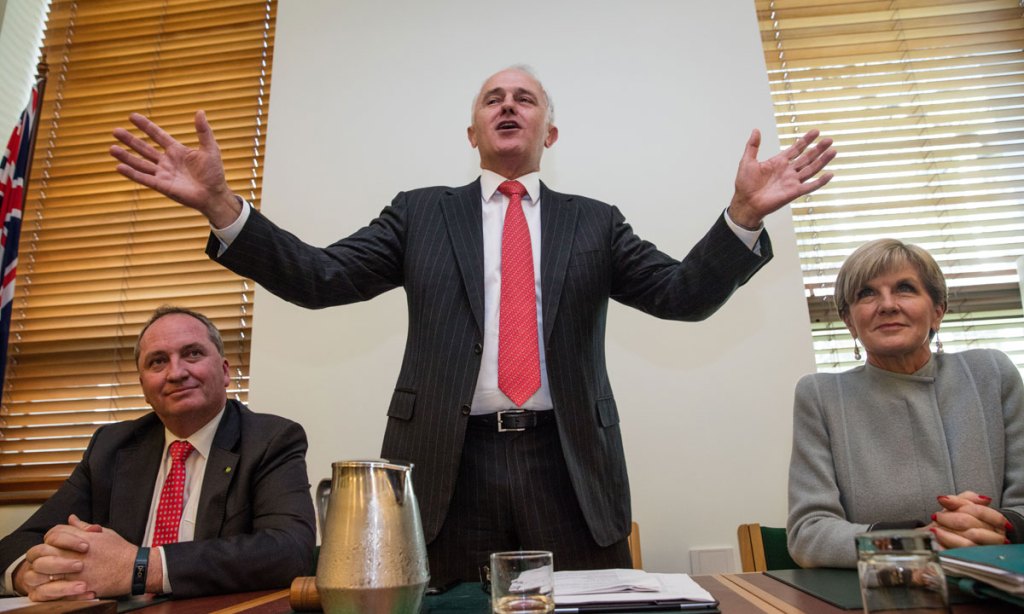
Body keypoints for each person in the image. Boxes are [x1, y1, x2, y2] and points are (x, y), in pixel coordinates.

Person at [109, 65, 835, 582]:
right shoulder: (421, 214)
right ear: (473, 129)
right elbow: (321, 278)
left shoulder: (595, 223)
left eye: (526, 98)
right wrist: (222, 207)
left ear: (551, 130)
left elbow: (682, 294)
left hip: (569, 463)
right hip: (446, 467)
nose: (509, 106)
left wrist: (741, 219)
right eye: (494, 98)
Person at [0, 307, 316, 601]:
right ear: (143, 386)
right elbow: (18, 542)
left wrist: (140, 567)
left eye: (192, 354)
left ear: (224, 371)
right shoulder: (111, 446)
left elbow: (290, 551)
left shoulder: (271, 439)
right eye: (158, 361)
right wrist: (27, 574)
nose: (176, 373)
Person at [787, 238, 1024, 568]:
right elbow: (808, 534)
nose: (886, 305)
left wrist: (999, 528)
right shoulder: (821, 395)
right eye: (866, 293)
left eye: (905, 288)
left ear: (937, 311)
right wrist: (915, 542)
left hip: (998, 581)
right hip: (888, 591)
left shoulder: (992, 372)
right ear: (850, 322)